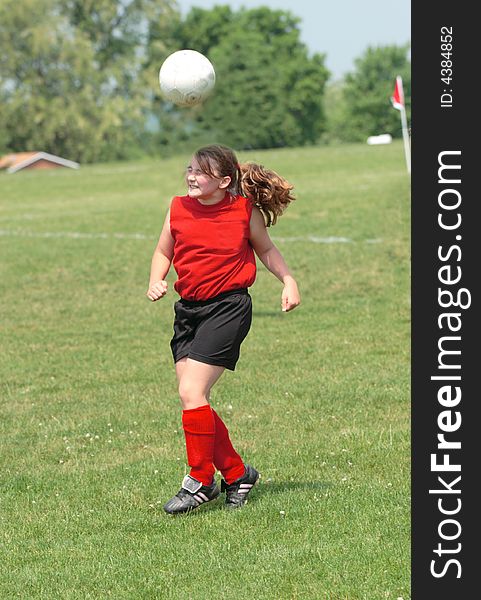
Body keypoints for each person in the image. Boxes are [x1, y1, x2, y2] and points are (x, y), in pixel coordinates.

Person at [147, 144, 300, 515]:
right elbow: (163, 251)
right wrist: (157, 279)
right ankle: (236, 472)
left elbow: (266, 250)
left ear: (224, 180)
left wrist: (288, 281)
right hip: (188, 311)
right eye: (190, 169)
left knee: (191, 390)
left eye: (201, 172)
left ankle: (200, 478)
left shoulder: (243, 213)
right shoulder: (177, 208)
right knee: (193, 398)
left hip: (228, 308)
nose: (191, 176)